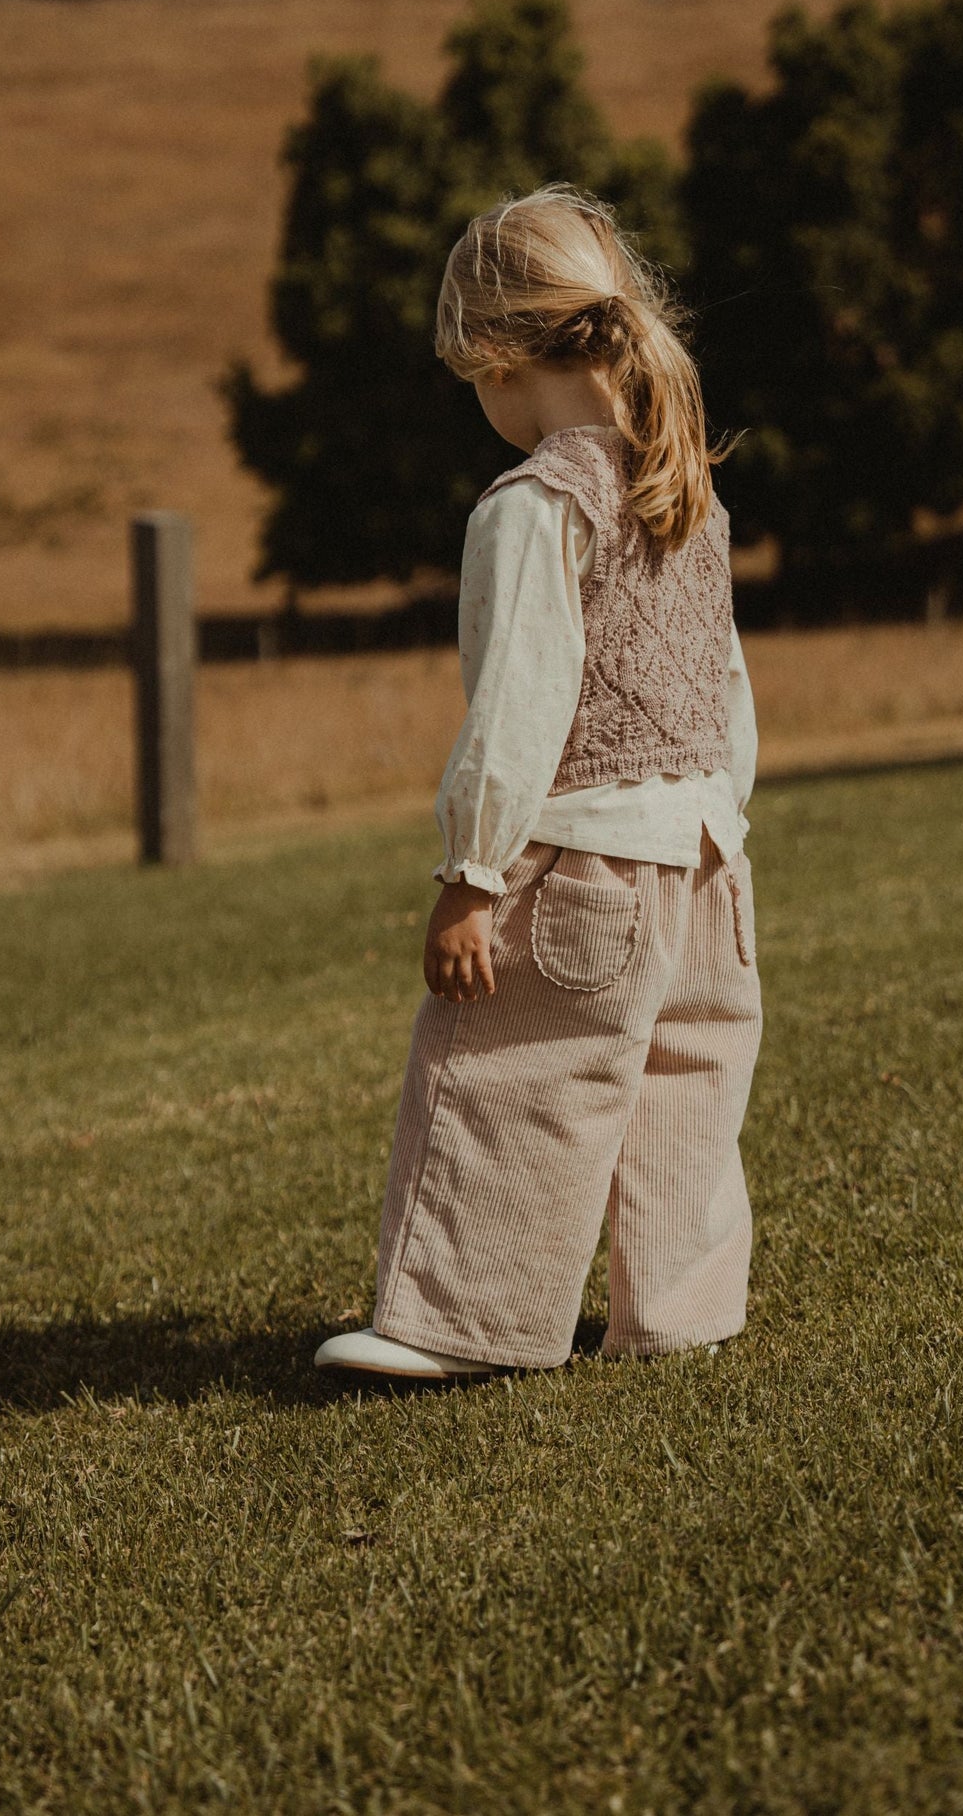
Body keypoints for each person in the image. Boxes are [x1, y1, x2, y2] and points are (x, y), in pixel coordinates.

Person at [315, 184, 762, 1379]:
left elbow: (519, 701)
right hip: (704, 862)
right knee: (683, 1078)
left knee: (509, 1075)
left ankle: (462, 1325)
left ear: (498, 356)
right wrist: (716, 823)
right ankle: (677, 1310)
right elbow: (725, 690)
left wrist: (472, 872)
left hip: (578, 867)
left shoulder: (532, 504)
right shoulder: (686, 491)